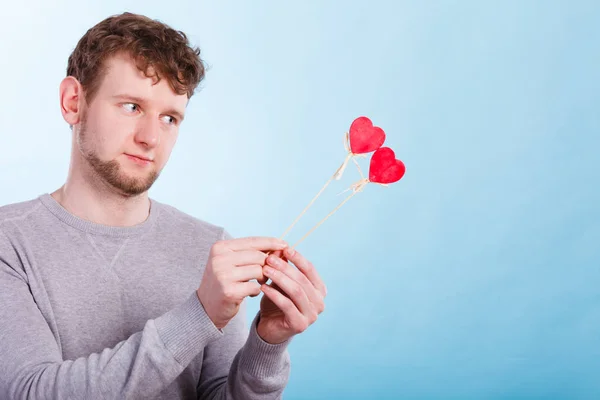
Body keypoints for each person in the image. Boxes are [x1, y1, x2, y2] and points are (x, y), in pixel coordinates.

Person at [0, 12, 327, 400]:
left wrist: (267, 346)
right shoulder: (10, 243)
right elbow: (30, 392)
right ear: (74, 101)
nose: (151, 137)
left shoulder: (211, 249)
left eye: (170, 117)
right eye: (131, 107)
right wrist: (200, 314)